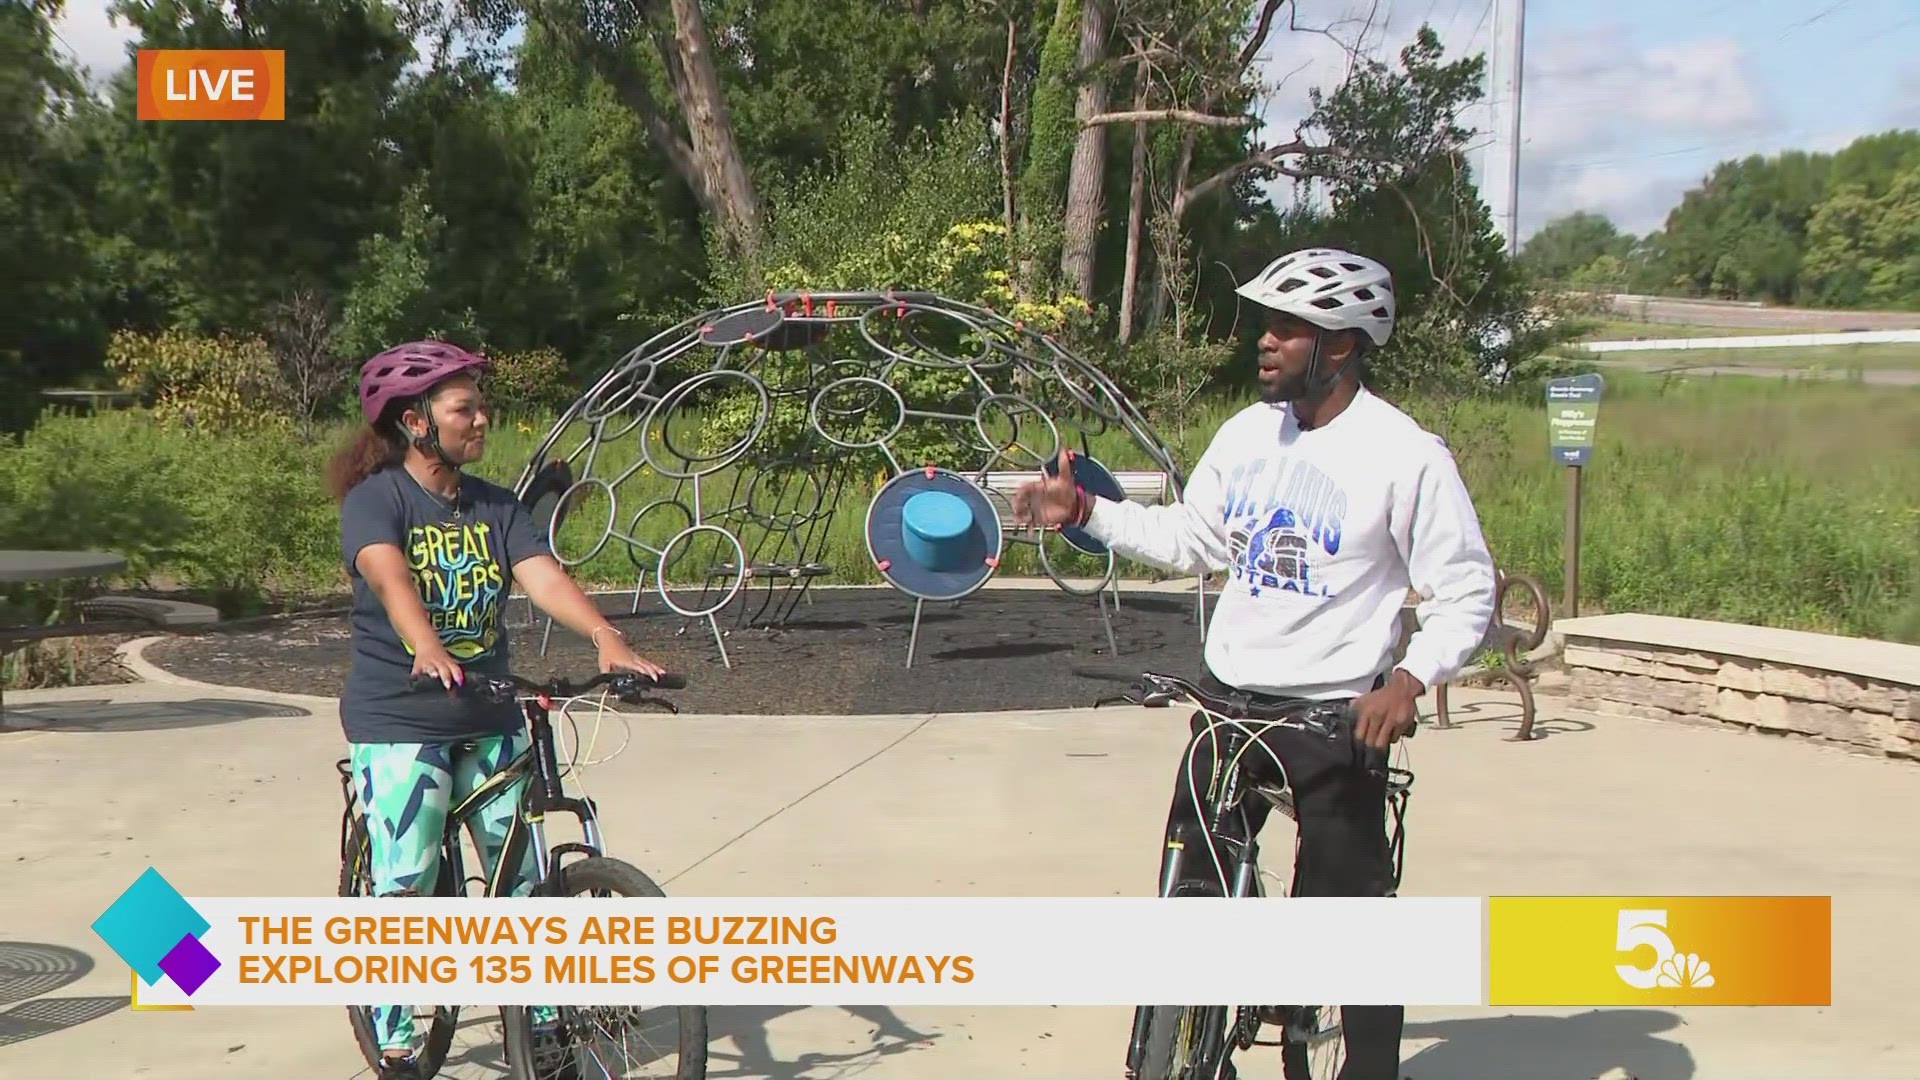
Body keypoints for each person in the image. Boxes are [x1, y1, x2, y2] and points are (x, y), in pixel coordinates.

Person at [1012, 248, 1497, 1078]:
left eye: (1286, 328)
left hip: (1334, 719)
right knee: (1188, 894)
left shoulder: (1405, 455)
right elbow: (1193, 541)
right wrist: (1086, 510)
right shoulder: (1246, 435)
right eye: (1264, 327)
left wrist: (1411, 682)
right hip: (1232, 704)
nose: (1263, 343)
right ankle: (1178, 1051)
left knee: (1352, 922)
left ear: (1339, 346)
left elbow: (1466, 589)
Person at [325, 340, 666, 1078]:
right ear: (416, 423)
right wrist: (425, 645)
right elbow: (387, 576)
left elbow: (543, 576)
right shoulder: (377, 499)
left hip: (489, 709)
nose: (482, 418)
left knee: (521, 876)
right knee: (409, 875)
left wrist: (607, 636)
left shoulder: (494, 505)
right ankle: (395, 1030)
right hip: (402, 713)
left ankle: (541, 1019)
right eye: (464, 408)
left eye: (481, 404)